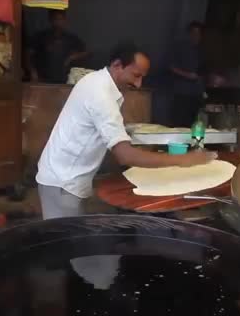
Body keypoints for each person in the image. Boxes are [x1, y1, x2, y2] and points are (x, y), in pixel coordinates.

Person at [36, 41, 217, 220]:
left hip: (69, 177)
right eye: (136, 75)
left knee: (73, 236)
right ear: (117, 65)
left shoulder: (99, 82)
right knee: (64, 242)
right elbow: (125, 155)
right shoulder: (100, 94)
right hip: (62, 181)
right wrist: (183, 159)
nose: (138, 84)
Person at [29, 9, 89, 84]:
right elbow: (29, 54)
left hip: (64, 81)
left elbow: (86, 53)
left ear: (65, 20)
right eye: (55, 19)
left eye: (60, 19)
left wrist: (71, 58)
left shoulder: (71, 38)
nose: (58, 22)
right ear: (50, 20)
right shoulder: (41, 37)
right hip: (43, 80)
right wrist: (33, 71)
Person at [167, 21, 206, 127]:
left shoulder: (201, 50)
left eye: (199, 34)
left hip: (197, 94)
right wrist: (187, 75)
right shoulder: (180, 47)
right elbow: (171, 67)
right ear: (189, 34)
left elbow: (202, 72)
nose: (196, 36)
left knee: (195, 123)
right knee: (179, 123)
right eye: (194, 33)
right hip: (182, 92)